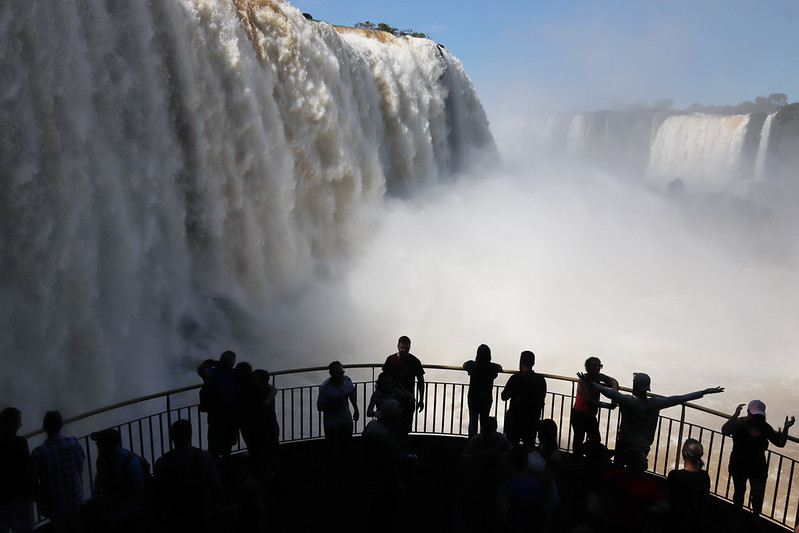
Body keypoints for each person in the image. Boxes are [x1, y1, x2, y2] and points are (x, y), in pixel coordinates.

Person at [580, 371, 723, 462]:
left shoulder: (626, 400)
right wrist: (705, 391)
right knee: (637, 472)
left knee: (618, 469)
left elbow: (606, 391)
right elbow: (680, 398)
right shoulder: (656, 403)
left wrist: (589, 382)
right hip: (643, 447)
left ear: (635, 387)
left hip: (624, 443)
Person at [721, 400, 795, 523]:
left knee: (741, 492)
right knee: (753, 495)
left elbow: (724, 430)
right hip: (755, 465)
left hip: (742, 464)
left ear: (748, 411)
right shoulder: (764, 427)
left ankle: (739, 518)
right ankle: (753, 519)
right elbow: (780, 443)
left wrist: (735, 415)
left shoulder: (741, 424)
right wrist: (786, 428)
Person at [151, 420, 222, 533]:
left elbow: (157, 493)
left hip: (175, 516)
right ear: (190, 436)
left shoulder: (162, 462)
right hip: (202, 511)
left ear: (172, 437)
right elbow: (217, 487)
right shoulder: (204, 456)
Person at [31, 411, 86, 533]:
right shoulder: (72, 442)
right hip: (74, 492)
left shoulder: (38, 453)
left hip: (53, 499)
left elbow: (34, 480)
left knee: (58, 525)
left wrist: (38, 499)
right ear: (61, 425)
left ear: (44, 428)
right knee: (76, 519)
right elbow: (80, 461)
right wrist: (79, 478)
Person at [85, 428, 145, 533]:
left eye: (99, 443)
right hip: (112, 512)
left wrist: (120, 517)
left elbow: (138, 495)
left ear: (106, 446)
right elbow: (99, 480)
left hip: (128, 517)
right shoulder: (104, 459)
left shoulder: (131, 464)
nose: (97, 445)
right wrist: (95, 496)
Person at [571, 357, 618, 459]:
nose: (598, 368)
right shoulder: (582, 381)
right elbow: (588, 401)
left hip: (590, 415)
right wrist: (607, 405)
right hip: (580, 414)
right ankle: (578, 458)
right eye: (595, 366)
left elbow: (614, 382)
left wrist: (614, 398)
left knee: (595, 438)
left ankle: (586, 457)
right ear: (588, 368)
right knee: (579, 438)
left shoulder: (597, 377)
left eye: (599, 365)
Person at [197, 351, 240, 462]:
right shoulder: (214, 373)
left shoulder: (235, 374)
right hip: (218, 417)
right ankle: (218, 469)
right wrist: (209, 363)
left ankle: (220, 469)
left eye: (229, 362)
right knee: (215, 447)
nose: (228, 364)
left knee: (225, 446)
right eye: (226, 361)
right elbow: (201, 371)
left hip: (228, 417)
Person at [501, 350, 546, 447]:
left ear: (520, 361)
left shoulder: (515, 378)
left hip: (515, 418)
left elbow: (504, 396)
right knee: (529, 446)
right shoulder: (540, 380)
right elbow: (541, 399)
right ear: (533, 363)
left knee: (511, 445)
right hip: (532, 419)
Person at [316, 361, 359, 462]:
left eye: (341, 373)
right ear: (331, 374)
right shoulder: (325, 388)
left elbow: (351, 395)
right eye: (337, 373)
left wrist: (356, 409)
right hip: (332, 424)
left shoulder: (347, 380)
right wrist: (334, 405)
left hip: (346, 420)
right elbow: (320, 407)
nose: (340, 376)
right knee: (333, 449)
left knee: (346, 445)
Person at [382, 336, 425, 436]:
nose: (404, 350)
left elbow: (421, 381)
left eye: (406, 348)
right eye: (402, 348)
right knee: (391, 426)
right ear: (398, 346)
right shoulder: (391, 359)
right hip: (392, 398)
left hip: (408, 400)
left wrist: (421, 399)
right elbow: (383, 379)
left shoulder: (415, 361)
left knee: (405, 428)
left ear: (410, 347)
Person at [0, 408, 34, 533]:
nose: (20, 425)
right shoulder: (19, 443)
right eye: (18, 422)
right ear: (10, 422)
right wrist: (33, 491)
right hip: (19, 496)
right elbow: (27, 469)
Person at [666, 438, 710, 533]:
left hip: (676, 519)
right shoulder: (704, 476)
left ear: (684, 454)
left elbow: (668, 500)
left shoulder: (674, 475)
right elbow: (705, 501)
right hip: (694, 520)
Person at [462, 344, 503, 437]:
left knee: (473, 420)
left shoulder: (473, 365)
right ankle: (483, 442)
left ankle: (472, 442)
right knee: (484, 422)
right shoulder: (492, 367)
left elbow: (464, 365)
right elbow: (500, 367)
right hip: (486, 398)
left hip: (473, 397)